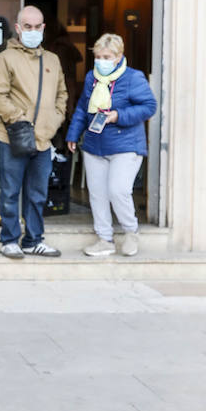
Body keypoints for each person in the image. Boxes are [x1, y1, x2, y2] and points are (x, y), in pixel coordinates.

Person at [0, 5, 68, 260]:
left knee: (37, 194)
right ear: (18, 28)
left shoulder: (52, 60)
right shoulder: (3, 59)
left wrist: (54, 120)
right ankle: (9, 240)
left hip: (44, 139)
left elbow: (61, 95)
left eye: (37, 27)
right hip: (13, 137)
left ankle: (33, 240)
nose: (32, 31)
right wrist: (19, 119)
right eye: (27, 26)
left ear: (43, 28)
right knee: (10, 191)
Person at [66, 32, 157, 258]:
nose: (101, 61)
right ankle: (104, 239)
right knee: (97, 194)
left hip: (125, 145)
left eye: (106, 56)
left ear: (118, 56)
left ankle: (130, 232)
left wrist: (118, 115)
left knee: (118, 190)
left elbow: (149, 106)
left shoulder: (133, 78)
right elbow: (81, 108)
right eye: (98, 56)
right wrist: (73, 134)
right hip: (95, 145)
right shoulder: (91, 78)